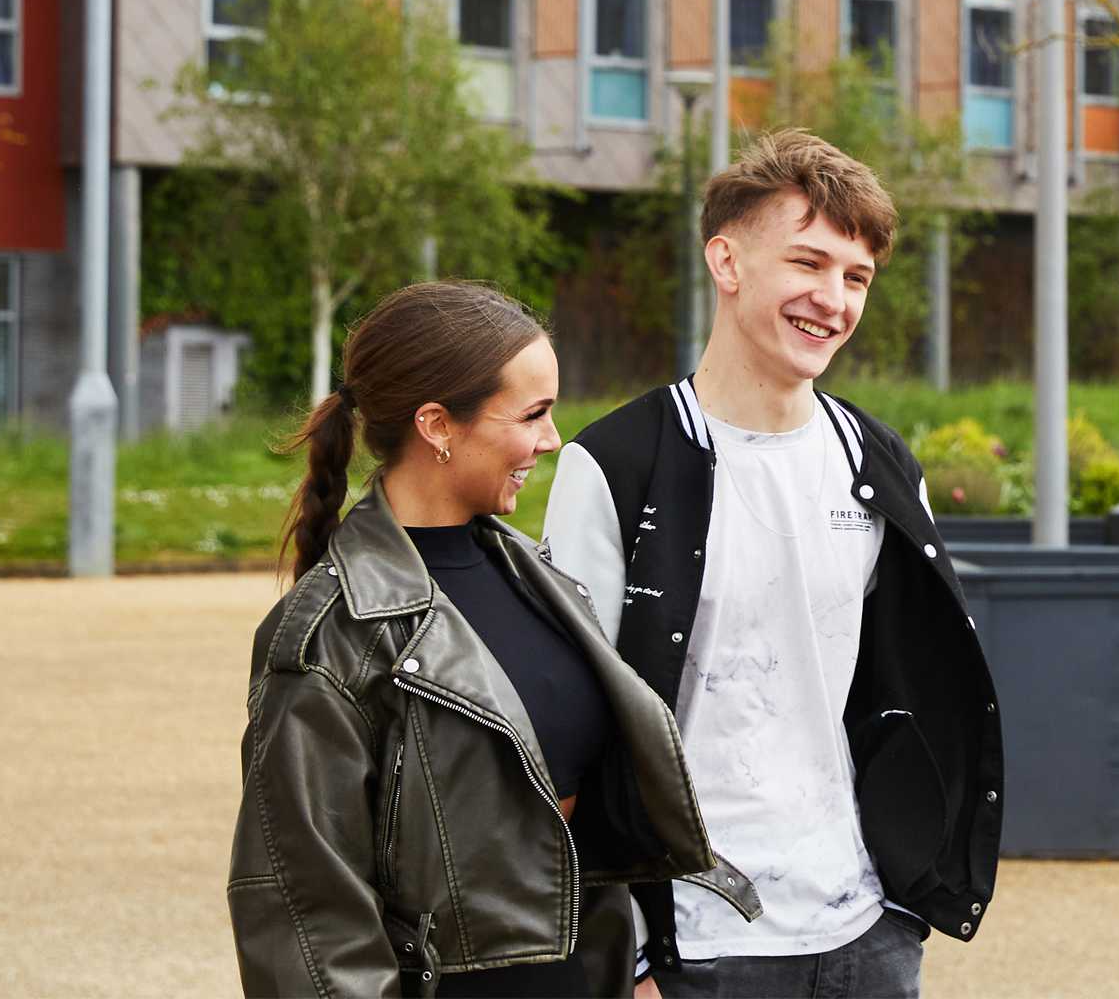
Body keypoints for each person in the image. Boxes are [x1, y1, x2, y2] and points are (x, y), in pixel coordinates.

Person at [545, 129, 1001, 999]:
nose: (833, 299)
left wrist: (912, 884)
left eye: (856, 276)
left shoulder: (880, 463)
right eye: (809, 264)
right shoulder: (615, 464)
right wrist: (630, 954)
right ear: (727, 260)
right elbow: (573, 732)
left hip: (865, 924)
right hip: (698, 943)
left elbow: (911, 680)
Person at [230, 281, 753, 998]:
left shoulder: (534, 576)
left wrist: (632, 966)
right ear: (438, 425)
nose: (552, 439)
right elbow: (302, 912)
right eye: (534, 414)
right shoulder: (330, 634)